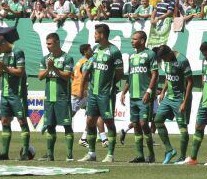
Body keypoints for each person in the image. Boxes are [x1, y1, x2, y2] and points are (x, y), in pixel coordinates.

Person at [78, 23, 123, 163]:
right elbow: (89, 67)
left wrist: (108, 85)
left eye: (96, 34)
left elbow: (119, 73)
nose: (94, 36)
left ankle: (110, 154)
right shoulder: (96, 49)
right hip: (92, 93)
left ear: (102, 35)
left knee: (109, 122)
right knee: (90, 120)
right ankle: (91, 153)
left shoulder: (114, 51)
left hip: (105, 94)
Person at [0, 33, 32, 161]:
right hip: (5, 94)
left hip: (17, 94)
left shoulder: (18, 52)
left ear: (3, 44)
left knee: (22, 121)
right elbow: (2, 73)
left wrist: (5, 68)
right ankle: (4, 153)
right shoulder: (2, 54)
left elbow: (20, 72)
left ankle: (25, 153)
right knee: (4, 121)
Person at [120, 31, 158, 163]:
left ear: (142, 41)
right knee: (136, 124)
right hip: (133, 96)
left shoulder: (150, 54)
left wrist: (149, 91)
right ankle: (140, 155)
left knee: (143, 124)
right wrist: (124, 92)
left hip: (144, 96)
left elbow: (154, 74)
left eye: (134, 39)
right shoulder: (131, 56)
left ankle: (151, 154)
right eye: (131, 39)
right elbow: (129, 76)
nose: (132, 41)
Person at [152, 44, 193, 165]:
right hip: (168, 97)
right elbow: (168, 76)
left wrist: (185, 102)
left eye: (164, 58)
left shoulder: (182, 60)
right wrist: (163, 92)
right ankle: (170, 150)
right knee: (158, 120)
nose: (164, 61)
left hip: (180, 98)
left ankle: (182, 157)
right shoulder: (166, 60)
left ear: (169, 53)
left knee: (183, 129)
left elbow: (190, 82)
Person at [38, 33, 75, 161]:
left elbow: (66, 76)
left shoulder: (67, 58)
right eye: (47, 44)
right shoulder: (45, 59)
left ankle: (69, 155)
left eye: (50, 44)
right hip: (49, 98)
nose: (47, 46)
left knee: (67, 126)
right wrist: (49, 69)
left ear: (57, 43)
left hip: (62, 98)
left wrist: (54, 67)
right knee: (50, 126)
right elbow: (40, 76)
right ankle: (50, 155)